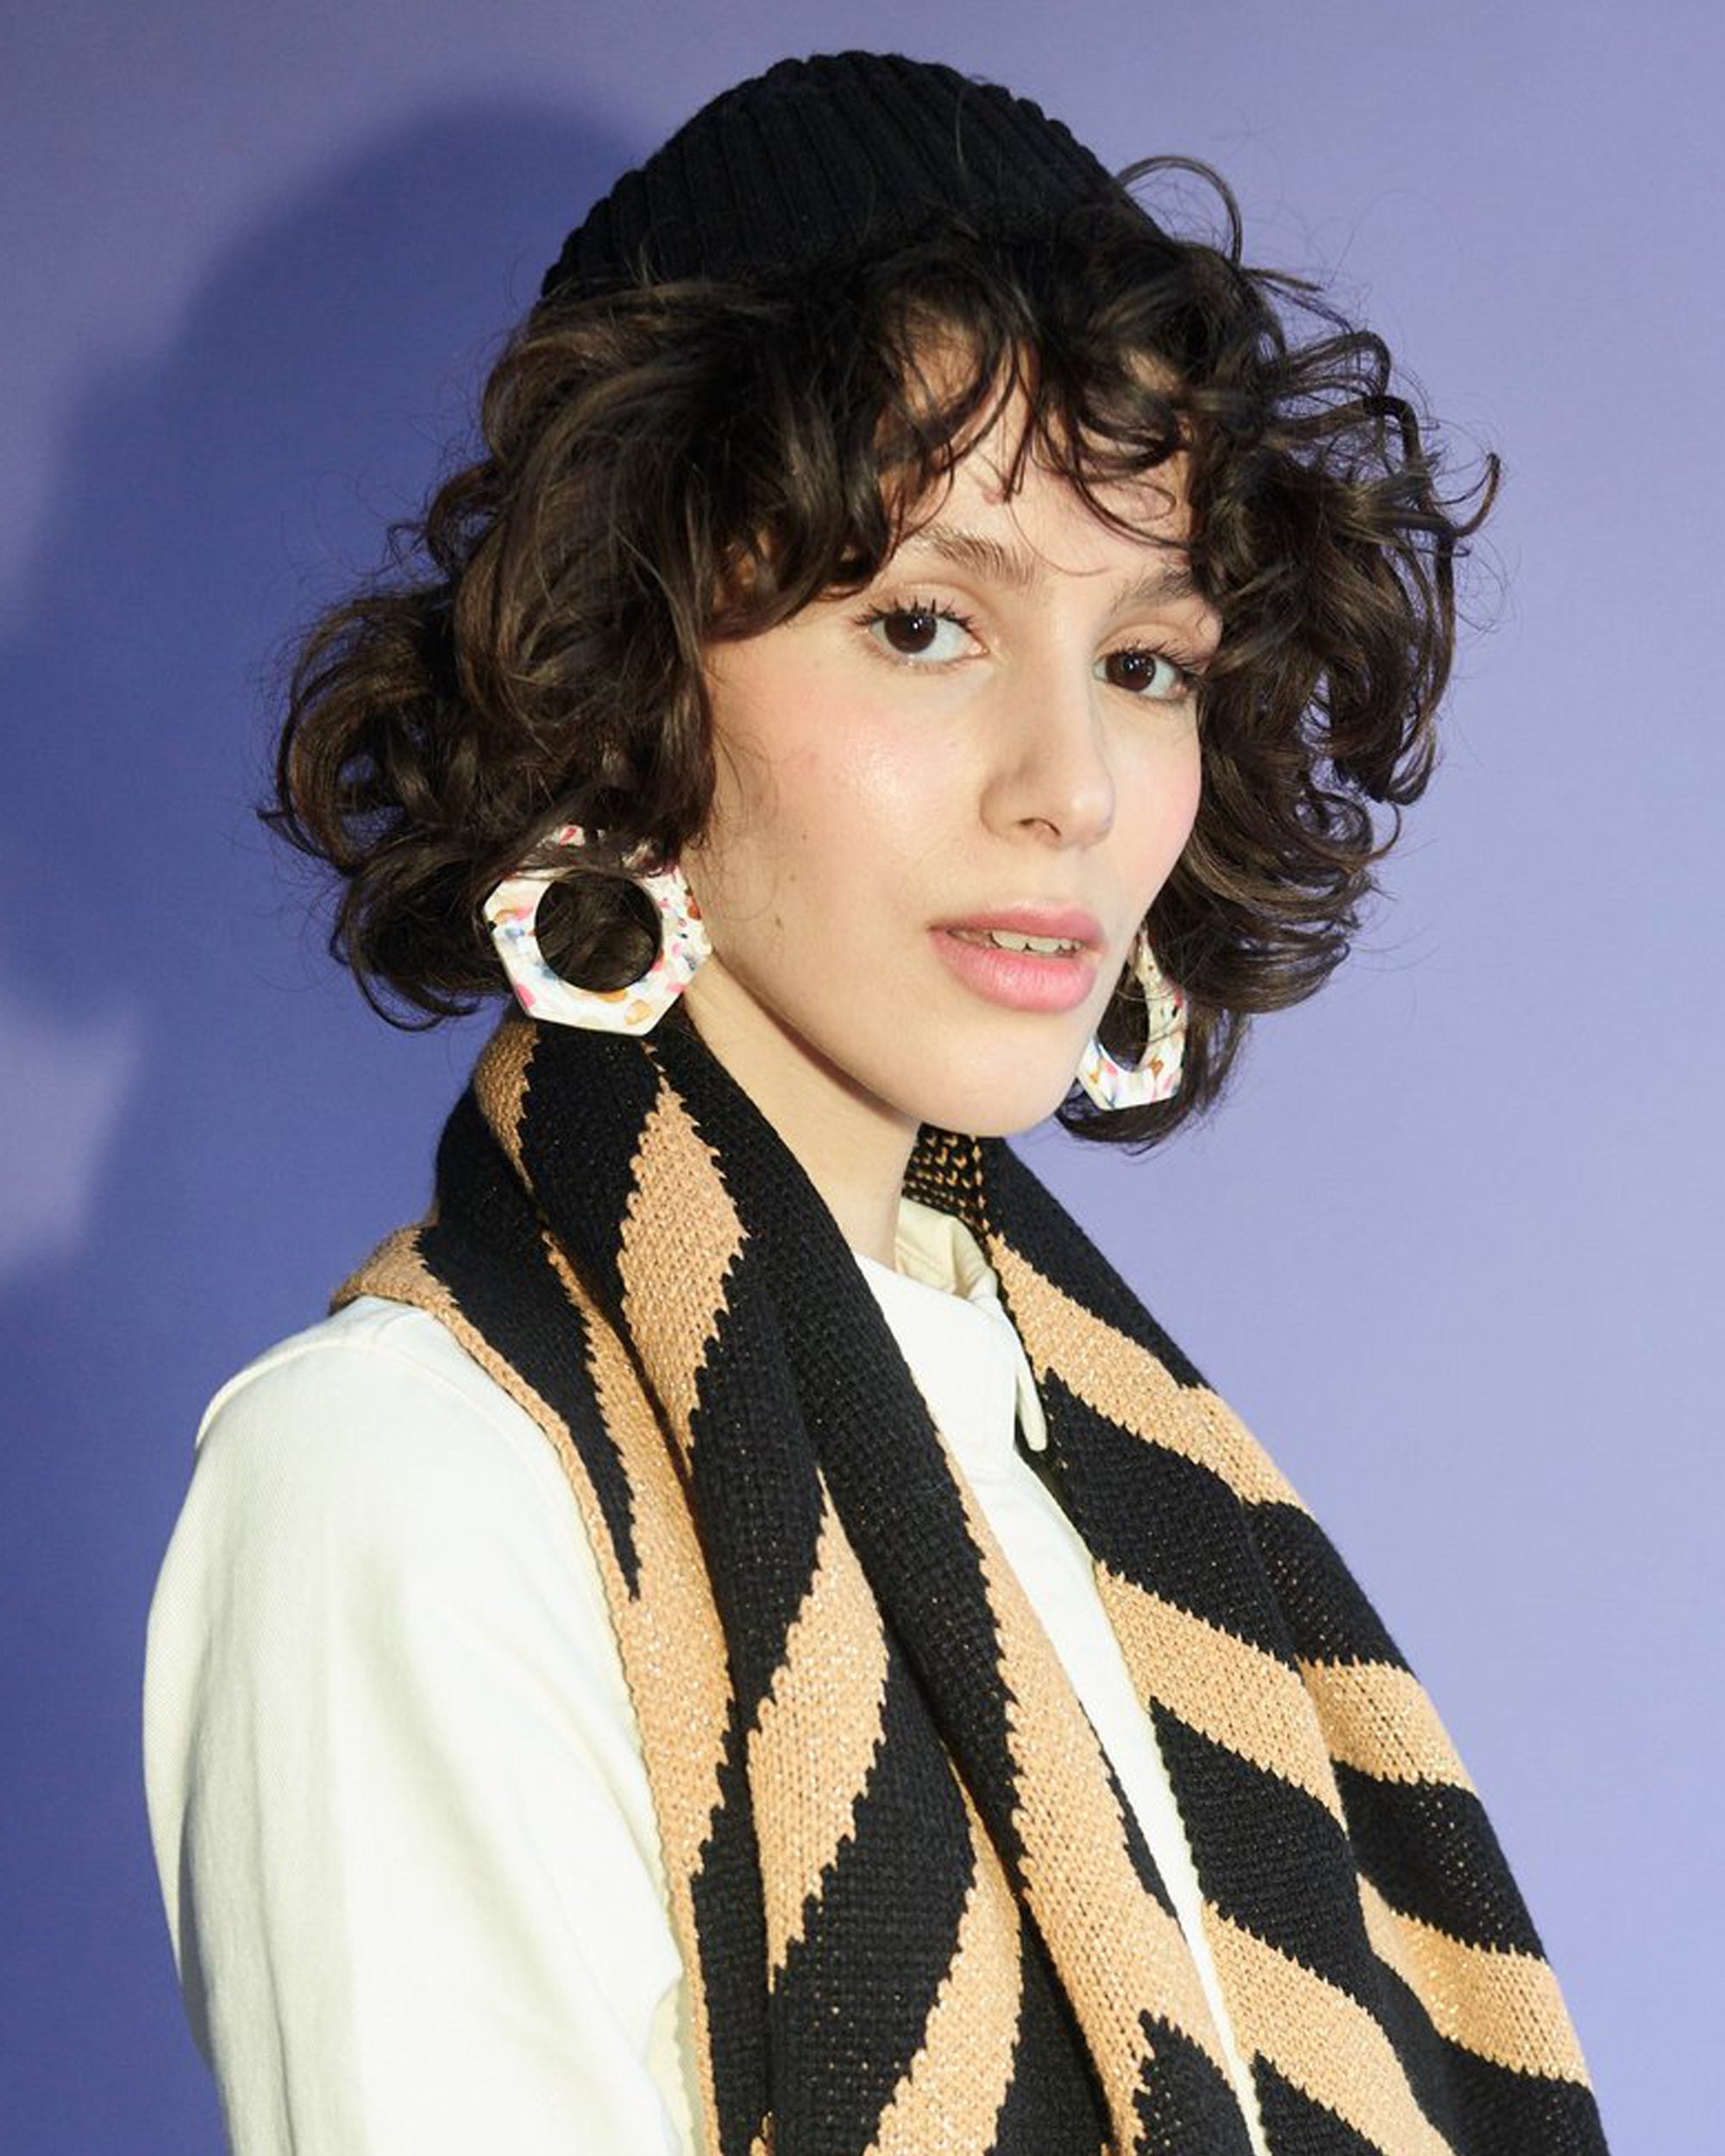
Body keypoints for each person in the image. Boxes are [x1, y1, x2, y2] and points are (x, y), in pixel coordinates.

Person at [141, 50, 1611, 2156]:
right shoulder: (407, 1486)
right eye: (924, 624)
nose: (1074, 787)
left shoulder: (1112, 1464)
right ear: (617, 673)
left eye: (1146, 659)